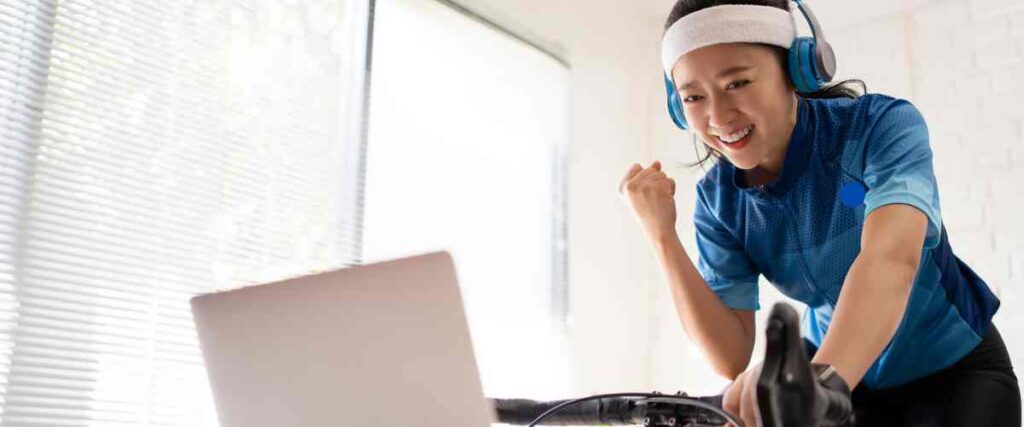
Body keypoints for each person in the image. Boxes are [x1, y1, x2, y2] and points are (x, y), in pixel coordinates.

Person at [618, 0, 1022, 425]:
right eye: (694, 97)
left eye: (736, 83)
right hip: (832, 381)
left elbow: (891, 259)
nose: (717, 116)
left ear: (796, 70)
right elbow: (731, 354)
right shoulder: (719, 201)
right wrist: (662, 237)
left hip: (949, 372)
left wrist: (821, 380)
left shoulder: (881, 128)